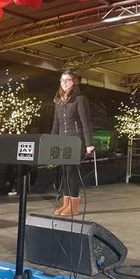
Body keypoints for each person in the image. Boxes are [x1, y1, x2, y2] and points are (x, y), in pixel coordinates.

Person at [51, 70, 95, 216]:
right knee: (64, 173)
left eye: (67, 80)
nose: (64, 83)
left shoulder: (79, 99)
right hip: (62, 142)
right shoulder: (58, 100)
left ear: (74, 81)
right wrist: (52, 142)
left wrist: (89, 143)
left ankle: (74, 206)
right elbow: (56, 124)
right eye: (62, 80)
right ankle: (66, 204)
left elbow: (85, 122)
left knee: (72, 173)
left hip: (75, 141)